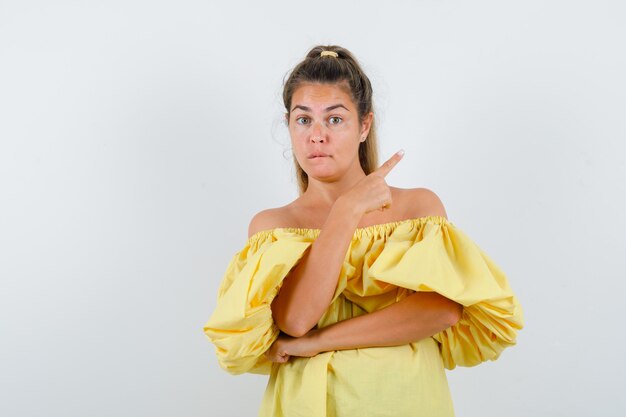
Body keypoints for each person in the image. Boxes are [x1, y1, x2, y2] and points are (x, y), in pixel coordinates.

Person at [203, 45, 524, 417]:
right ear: (289, 125)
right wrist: (346, 211)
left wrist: (318, 342)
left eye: (335, 119)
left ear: (364, 125)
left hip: (404, 400)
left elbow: (441, 312)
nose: (317, 136)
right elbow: (295, 320)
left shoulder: (418, 209)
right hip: (307, 404)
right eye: (303, 119)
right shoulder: (273, 227)